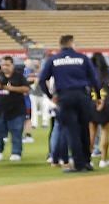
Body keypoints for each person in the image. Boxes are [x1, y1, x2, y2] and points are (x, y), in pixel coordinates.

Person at [36, 33, 98, 173]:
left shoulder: (54, 59)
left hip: (65, 97)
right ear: (72, 43)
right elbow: (94, 79)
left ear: (61, 45)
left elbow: (41, 80)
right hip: (82, 95)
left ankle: (78, 163)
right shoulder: (82, 58)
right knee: (84, 130)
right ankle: (87, 162)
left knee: (72, 131)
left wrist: (51, 96)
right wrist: (98, 97)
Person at [0, 55, 30, 161]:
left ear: (12, 65)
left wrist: (11, 88)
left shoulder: (19, 76)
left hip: (16, 110)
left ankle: (16, 152)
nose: (5, 67)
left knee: (16, 131)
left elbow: (26, 88)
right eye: (3, 64)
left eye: (7, 65)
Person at [89, 51, 109, 167]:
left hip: (92, 103)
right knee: (105, 132)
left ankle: (89, 159)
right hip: (107, 104)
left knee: (91, 133)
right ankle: (103, 160)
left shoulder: (88, 73)